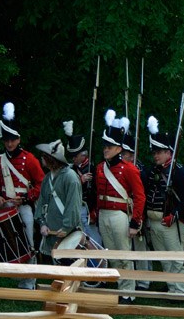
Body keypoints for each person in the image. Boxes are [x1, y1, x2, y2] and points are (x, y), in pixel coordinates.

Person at [0, 102, 44, 290]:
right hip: (7, 208)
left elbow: (41, 183)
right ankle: (18, 278)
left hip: (24, 206)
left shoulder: (29, 159)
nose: (10, 143)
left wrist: (27, 198)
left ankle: (29, 281)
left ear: (18, 139)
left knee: (28, 243)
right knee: (12, 244)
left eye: (12, 139)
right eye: (6, 140)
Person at [96, 109, 146, 305]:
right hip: (104, 214)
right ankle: (120, 287)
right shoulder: (100, 167)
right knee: (112, 253)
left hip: (119, 214)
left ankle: (128, 292)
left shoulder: (130, 169)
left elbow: (140, 197)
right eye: (104, 145)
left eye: (109, 146)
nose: (105, 149)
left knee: (124, 254)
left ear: (118, 148)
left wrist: (135, 221)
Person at [144, 116, 184, 294]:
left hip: (170, 221)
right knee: (163, 257)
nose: (155, 155)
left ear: (168, 152)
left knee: (176, 257)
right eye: (154, 152)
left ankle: (180, 290)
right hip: (154, 220)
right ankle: (171, 287)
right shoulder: (153, 171)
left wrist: (176, 214)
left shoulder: (178, 171)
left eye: (159, 152)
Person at [34, 139, 82, 259]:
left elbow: (73, 206)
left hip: (68, 234)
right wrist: (42, 224)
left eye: (44, 156)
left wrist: (66, 228)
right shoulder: (47, 179)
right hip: (52, 233)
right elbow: (42, 203)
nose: (41, 158)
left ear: (51, 158)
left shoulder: (70, 177)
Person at [121, 132, 153, 292]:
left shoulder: (140, 170)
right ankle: (129, 278)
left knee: (140, 247)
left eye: (128, 154)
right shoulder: (118, 168)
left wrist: (140, 216)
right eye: (125, 154)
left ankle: (144, 280)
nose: (127, 157)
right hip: (123, 210)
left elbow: (143, 195)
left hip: (137, 211)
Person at [62, 120, 101, 245]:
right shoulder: (72, 168)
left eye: (75, 155)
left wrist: (95, 211)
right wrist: (81, 180)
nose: (72, 158)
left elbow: (96, 191)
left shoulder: (92, 168)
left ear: (83, 155)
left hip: (89, 208)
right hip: (76, 208)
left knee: (93, 241)